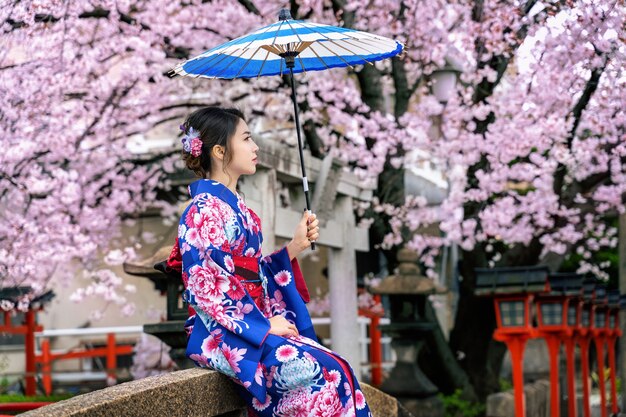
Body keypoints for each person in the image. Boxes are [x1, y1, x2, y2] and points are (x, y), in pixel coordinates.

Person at [174, 107, 372, 417]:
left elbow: (252, 273)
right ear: (220, 150)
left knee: (340, 368)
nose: (255, 148)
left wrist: (294, 247)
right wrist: (264, 327)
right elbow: (209, 289)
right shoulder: (203, 211)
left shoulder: (241, 211)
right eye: (248, 139)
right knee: (318, 376)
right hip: (226, 334)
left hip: (251, 324)